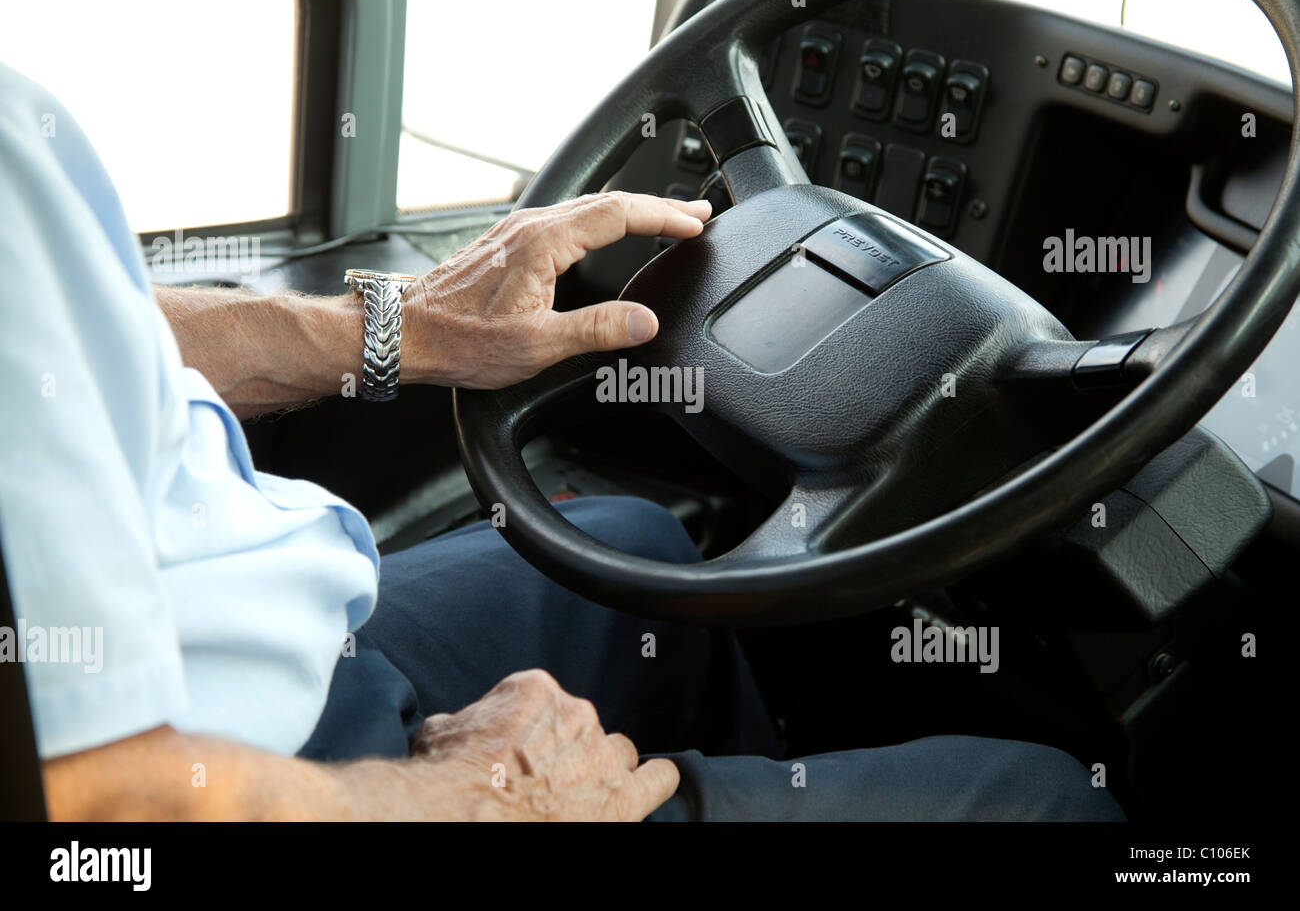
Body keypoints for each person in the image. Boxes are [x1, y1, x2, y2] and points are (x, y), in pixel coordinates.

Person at [0, 62, 1122, 821]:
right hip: (213, 770)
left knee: (637, 551)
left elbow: (83, 330)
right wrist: (473, 796)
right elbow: (106, 808)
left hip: (217, 644)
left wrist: (396, 325)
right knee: (1045, 795)